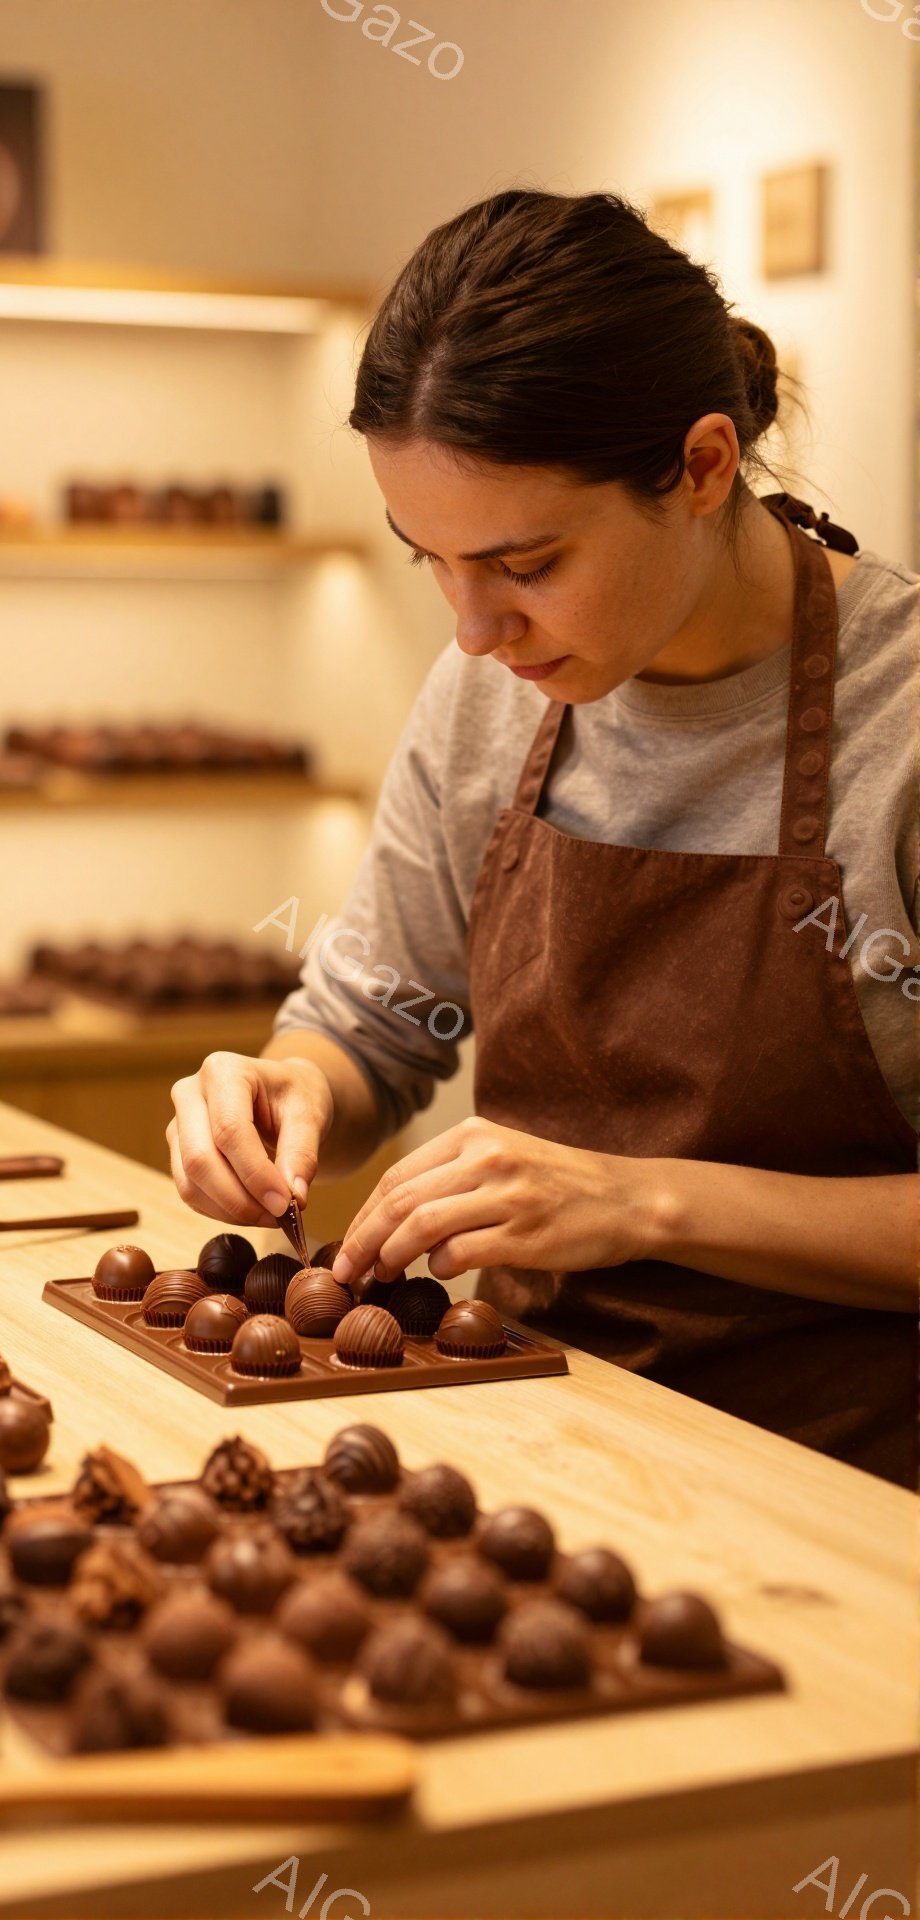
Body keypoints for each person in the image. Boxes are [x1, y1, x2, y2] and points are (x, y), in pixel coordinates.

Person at [169, 189, 918, 1486]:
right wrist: (293, 1094)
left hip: (850, 1480)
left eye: (525, 564)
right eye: (430, 562)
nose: (472, 632)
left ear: (700, 466)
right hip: (526, 1435)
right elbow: (376, 1024)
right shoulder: (493, 691)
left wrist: (640, 1200)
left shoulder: (898, 719)